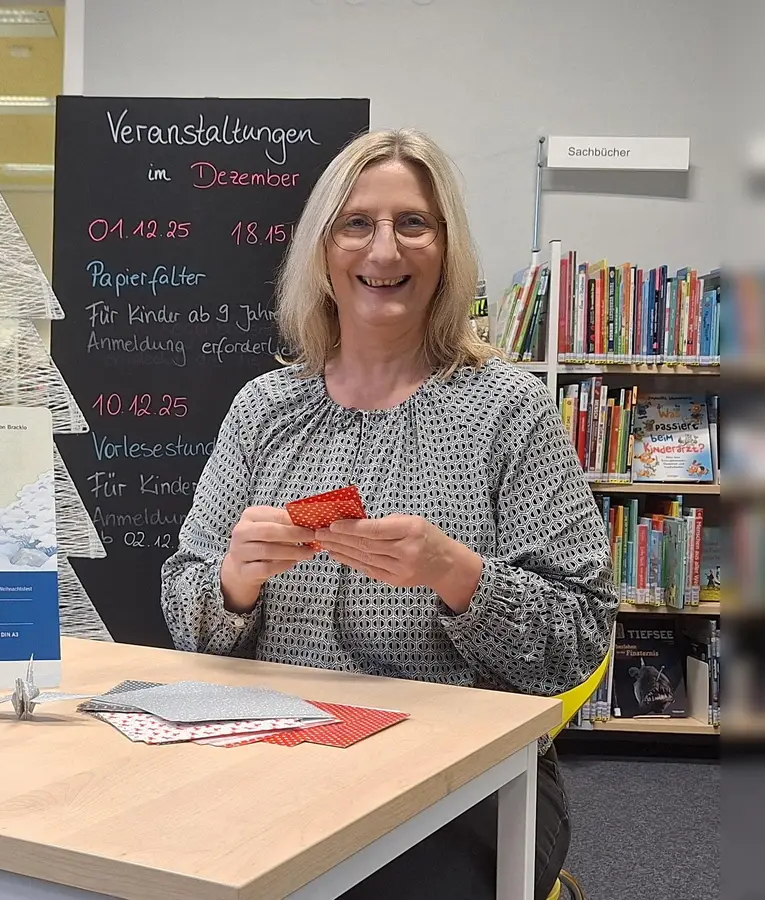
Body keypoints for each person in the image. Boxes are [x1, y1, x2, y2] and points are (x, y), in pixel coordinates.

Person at [160, 128, 617, 900]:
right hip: (275, 758)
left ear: (447, 249)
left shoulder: (509, 411)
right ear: (321, 250)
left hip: (462, 779)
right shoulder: (263, 410)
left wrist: (458, 575)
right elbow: (185, 612)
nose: (383, 250)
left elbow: (579, 635)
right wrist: (233, 582)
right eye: (356, 224)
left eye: (413, 223)